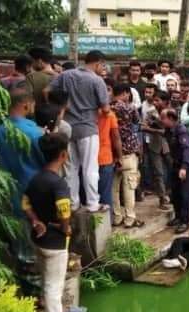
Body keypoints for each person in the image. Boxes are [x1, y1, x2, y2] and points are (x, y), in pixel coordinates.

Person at [22, 133, 84, 312]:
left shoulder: (36, 179)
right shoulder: (58, 183)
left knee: (45, 280)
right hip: (55, 243)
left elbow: (25, 203)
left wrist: (35, 221)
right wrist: (65, 228)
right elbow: (64, 211)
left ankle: (49, 308)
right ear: (63, 155)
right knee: (53, 287)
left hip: (38, 238)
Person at [0, 87, 43, 297]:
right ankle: (37, 296)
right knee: (35, 249)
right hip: (33, 194)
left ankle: (27, 292)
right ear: (26, 105)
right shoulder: (34, 132)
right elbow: (45, 162)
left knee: (20, 248)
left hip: (8, 193)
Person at [47, 50, 109, 213]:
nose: (103, 68)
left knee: (70, 168)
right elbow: (106, 109)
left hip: (67, 127)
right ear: (97, 63)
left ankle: (73, 203)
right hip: (88, 128)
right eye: (102, 65)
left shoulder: (65, 75)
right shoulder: (97, 80)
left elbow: (46, 92)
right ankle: (93, 203)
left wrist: (57, 109)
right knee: (90, 168)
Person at [111, 84, 143, 227]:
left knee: (114, 188)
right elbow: (137, 122)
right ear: (125, 93)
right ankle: (130, 218)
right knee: (129, 187)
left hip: (112, 153)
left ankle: (117, 216)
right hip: (129, 152)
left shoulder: (107, 108)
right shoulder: (130, 108)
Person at [162, 109, 189, 234]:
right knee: (175, 193)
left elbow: (187, 149)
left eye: (163, 118)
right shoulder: (168, 130)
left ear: (171, 118)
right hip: (176, 164)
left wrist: (184, 167)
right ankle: (178, 217)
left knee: (185, 194)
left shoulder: (181, 131)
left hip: (186, 165)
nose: (162, 121)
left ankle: (185, 221)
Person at [141, 90, 173, 211]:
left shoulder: (171, 113)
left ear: (165, 102)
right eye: (154, 100)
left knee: (172, 170)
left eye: (157, 100)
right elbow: (144, 126)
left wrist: (151, 129)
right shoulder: (150, 112)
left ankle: (172, 194)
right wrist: (147, 127)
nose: (154, 102)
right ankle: (162, 198)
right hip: (154, 146)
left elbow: (167, 131)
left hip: (169, 146)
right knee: (158, 173)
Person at [97, 98, 122, 213]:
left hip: (88, 159)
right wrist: (120, 157)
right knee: (106, 192)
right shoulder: (110, 115)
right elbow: (116, 138)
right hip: (105, 157)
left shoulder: (87, 116)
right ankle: (108, 222)